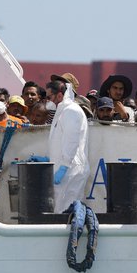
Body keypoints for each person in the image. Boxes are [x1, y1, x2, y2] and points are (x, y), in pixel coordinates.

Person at [40, 80, 90, 213]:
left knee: (67, 213)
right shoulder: (62, 111)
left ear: (60, 96)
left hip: (70, 171)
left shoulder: (71, 111)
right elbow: (58, 141)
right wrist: (47, 158)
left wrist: (64, 167)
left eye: (50, 97)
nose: (48, 101)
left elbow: (71, 141)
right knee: (59, 211)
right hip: (64, 169)